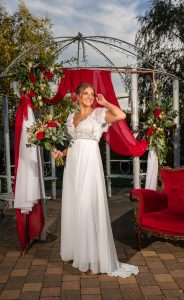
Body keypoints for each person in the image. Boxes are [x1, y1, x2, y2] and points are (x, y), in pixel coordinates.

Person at [52, 82, 139, 277]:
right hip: (73, 166)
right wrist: (61, 153)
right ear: (77, 95)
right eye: (86, 93)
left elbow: (121, 115)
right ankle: (79, 252)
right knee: (76, 207)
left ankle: (93, 259)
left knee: (87, 207)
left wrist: (105, 102)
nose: (90, 97)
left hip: (89, 165)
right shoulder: (70, 117)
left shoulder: (99, 114)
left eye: (92, 94)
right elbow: (73, 143)